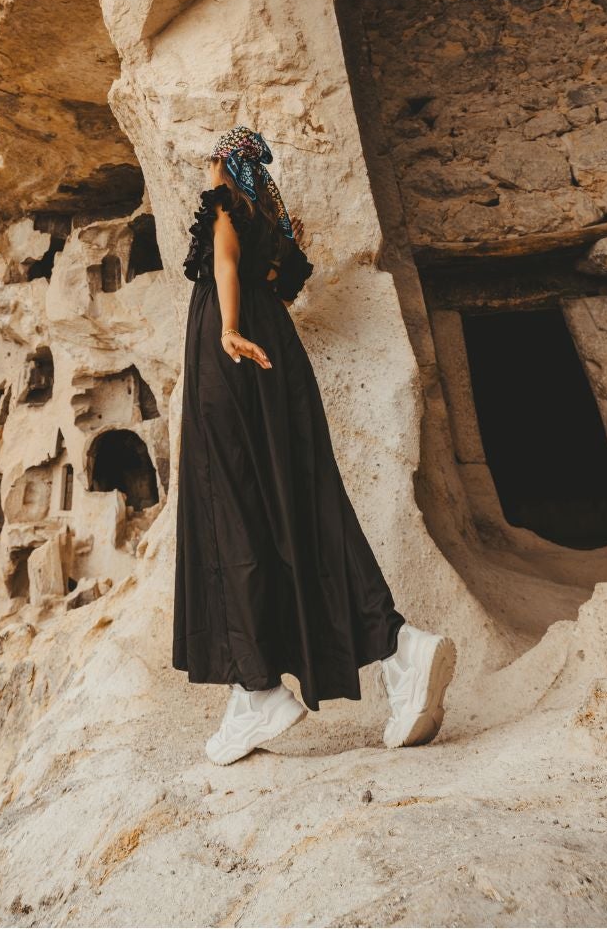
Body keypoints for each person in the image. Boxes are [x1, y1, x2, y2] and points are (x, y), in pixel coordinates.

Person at [173, 126, 455, 765]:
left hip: (233, 362)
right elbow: (282, 283)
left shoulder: (223, 208)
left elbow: (221, 260)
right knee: (302, 506)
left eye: (214, 162)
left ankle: (261, 689)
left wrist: (228, 330)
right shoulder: (274, 225)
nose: (210, 171)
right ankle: (396, 651)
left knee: (230, 514)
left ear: (224, 165)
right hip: (281, 366)